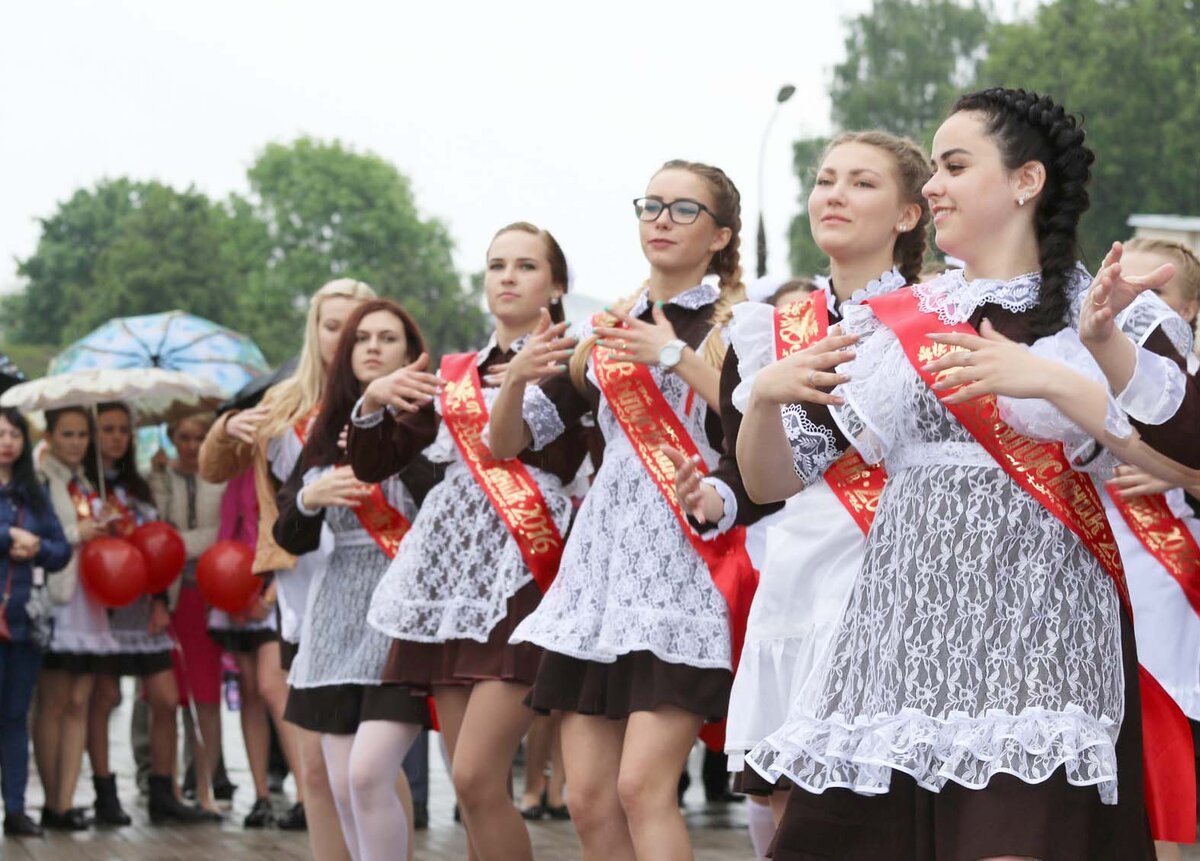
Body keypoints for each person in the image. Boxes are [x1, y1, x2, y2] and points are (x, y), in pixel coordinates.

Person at [738, 87, 1193, 861]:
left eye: (954, 165)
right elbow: (770, 480)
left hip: (1040, 638)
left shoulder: (1104, 311)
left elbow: (1183, 453)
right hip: (901, 638)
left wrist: (1052, 377)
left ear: (1026, 181)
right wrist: (764, 402)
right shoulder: (894, 323)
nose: (933, 186)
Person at [488, 161, 750, 861]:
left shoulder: (742, 325)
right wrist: (515, 377)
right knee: (589, 797)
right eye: (651, 205)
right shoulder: (606, 328)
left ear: (721, 234)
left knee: (642, 787)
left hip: (689, 566)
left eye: (684, 209)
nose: (661, 219)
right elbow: (507, 441)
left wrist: (672, 354)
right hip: (603, 573)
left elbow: (765, 432)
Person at [351, 223, 584, 861]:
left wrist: (518, 381)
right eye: (495, 265)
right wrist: (371, 402)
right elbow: (376, 464)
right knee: (470, 788)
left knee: (477, 777)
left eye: (525, 266)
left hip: (524, 576)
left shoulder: (572, 364)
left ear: (556, 285)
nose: (506, 277)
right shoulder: (454, 374)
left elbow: (516, 444)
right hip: (452, 579)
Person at [200, 277, 374, 856]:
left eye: (354, 326)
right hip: (299, 590)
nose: (342, 337)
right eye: (330, 325)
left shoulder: (390, 397)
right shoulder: (280, 402)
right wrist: (226, 428)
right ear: (314, 331)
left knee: (365, 768)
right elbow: (214, 467)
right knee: (315, 767)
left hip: (371, 590)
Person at [276, 298, 434, 861]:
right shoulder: (323, 429)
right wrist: (307, 498)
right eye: (362, 338)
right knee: (342, 783)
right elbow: (288, 535)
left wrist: (379, 421)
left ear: (411, 352)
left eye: (388, 338)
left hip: (402, 613)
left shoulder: (430, 421)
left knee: (370, 776)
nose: (372, 346)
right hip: (336, 617)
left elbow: (441, 501)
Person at [82, 402, 211, 825]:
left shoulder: (140, 485)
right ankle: (105, 793)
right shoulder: (83, 485)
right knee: (104, 697)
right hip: (104, 604)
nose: (116, 437)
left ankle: (164, 789)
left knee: (166, 698)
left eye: (123, 429)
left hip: (145, 603)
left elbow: (159, 542)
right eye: (107, 429)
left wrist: (160, 600)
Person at [150, 414, 227, 818]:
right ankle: (171, 787)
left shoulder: (222, 476)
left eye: (200, 437)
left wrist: (176, 543)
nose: (192, 444)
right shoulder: (159, 478)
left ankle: (205, 788)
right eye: (184, 436)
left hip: (209, 598)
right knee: (168, 699)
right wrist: (159, 478)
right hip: (170, 598)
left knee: (208, 698)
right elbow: (154, 531)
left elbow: (219, 532)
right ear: (171, 437)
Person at [0, 408, 71, 838]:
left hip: (23, 621)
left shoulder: (34, 493)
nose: (7, 441)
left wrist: (37, 546)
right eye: (0, 433)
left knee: (14, 716)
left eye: (14, 434)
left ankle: (15, 807)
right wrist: (9, 537)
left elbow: (61, 551)